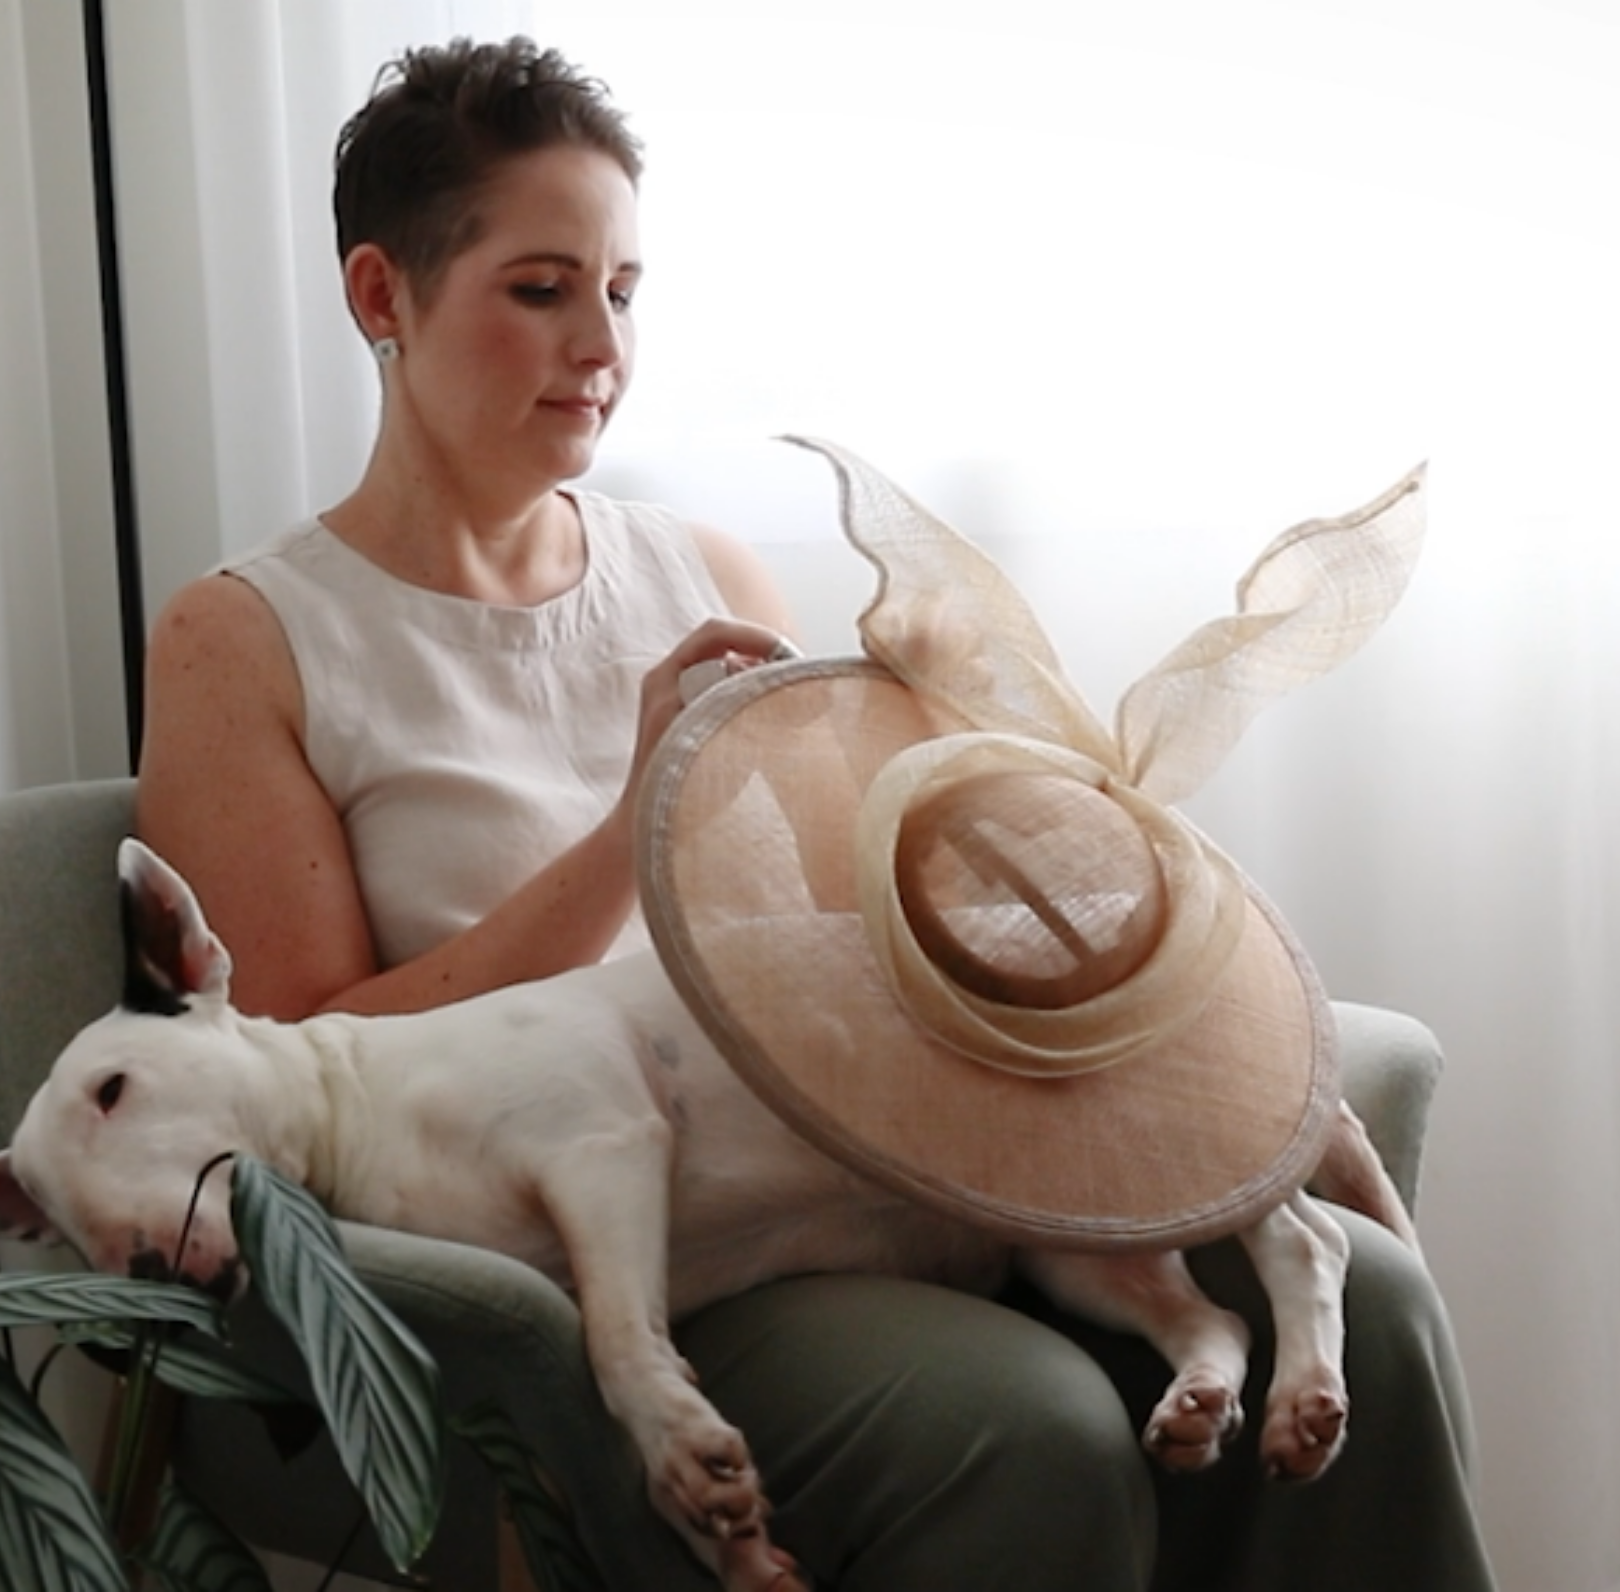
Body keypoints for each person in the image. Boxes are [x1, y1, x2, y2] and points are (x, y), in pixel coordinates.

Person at [135, 35, 1494, 1591]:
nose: (602, 343)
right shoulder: (244, 638)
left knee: (1366, 1300)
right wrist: (630, 826)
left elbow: (853, 942)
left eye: (624, 291)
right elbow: (294, 1071)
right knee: (1031, 1423)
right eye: (540, 289)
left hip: (856, 1163)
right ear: (383, 297)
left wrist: (1165, 1041)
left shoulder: (704, 574)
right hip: (615, 1243)